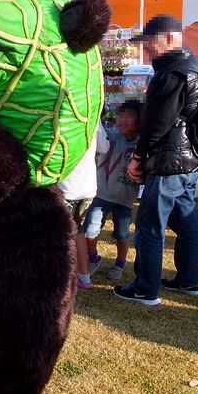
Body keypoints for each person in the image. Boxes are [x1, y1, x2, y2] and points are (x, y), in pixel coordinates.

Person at [114, 14, 198, 305]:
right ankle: (191, 280)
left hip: (168, 162)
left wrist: (138, 156)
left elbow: (157, 124)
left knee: (150, 226)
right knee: (187, 223)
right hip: (190, 160)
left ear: (168, 38)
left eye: (150, 42)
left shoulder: (172, 72)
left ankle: (146, 288)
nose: (147, 48)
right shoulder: (193, 66)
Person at [85, 101, 141, 281]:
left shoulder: (141, 145)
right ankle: (93, 257)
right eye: (121, 115)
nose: (123, 120)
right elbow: (97, 127)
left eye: (129, 117)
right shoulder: (110, 135)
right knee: (90, 229)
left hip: (124, 200)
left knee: (122, 235)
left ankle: (120, 264)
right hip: (101, 195)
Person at [58, 121, 109, 289]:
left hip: (65, 186)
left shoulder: (62, 116)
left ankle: (64, 275)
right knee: (78, 231)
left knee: (61, 233)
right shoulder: (93, 118)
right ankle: (84, 276)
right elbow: (105, 147)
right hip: (87, 187)